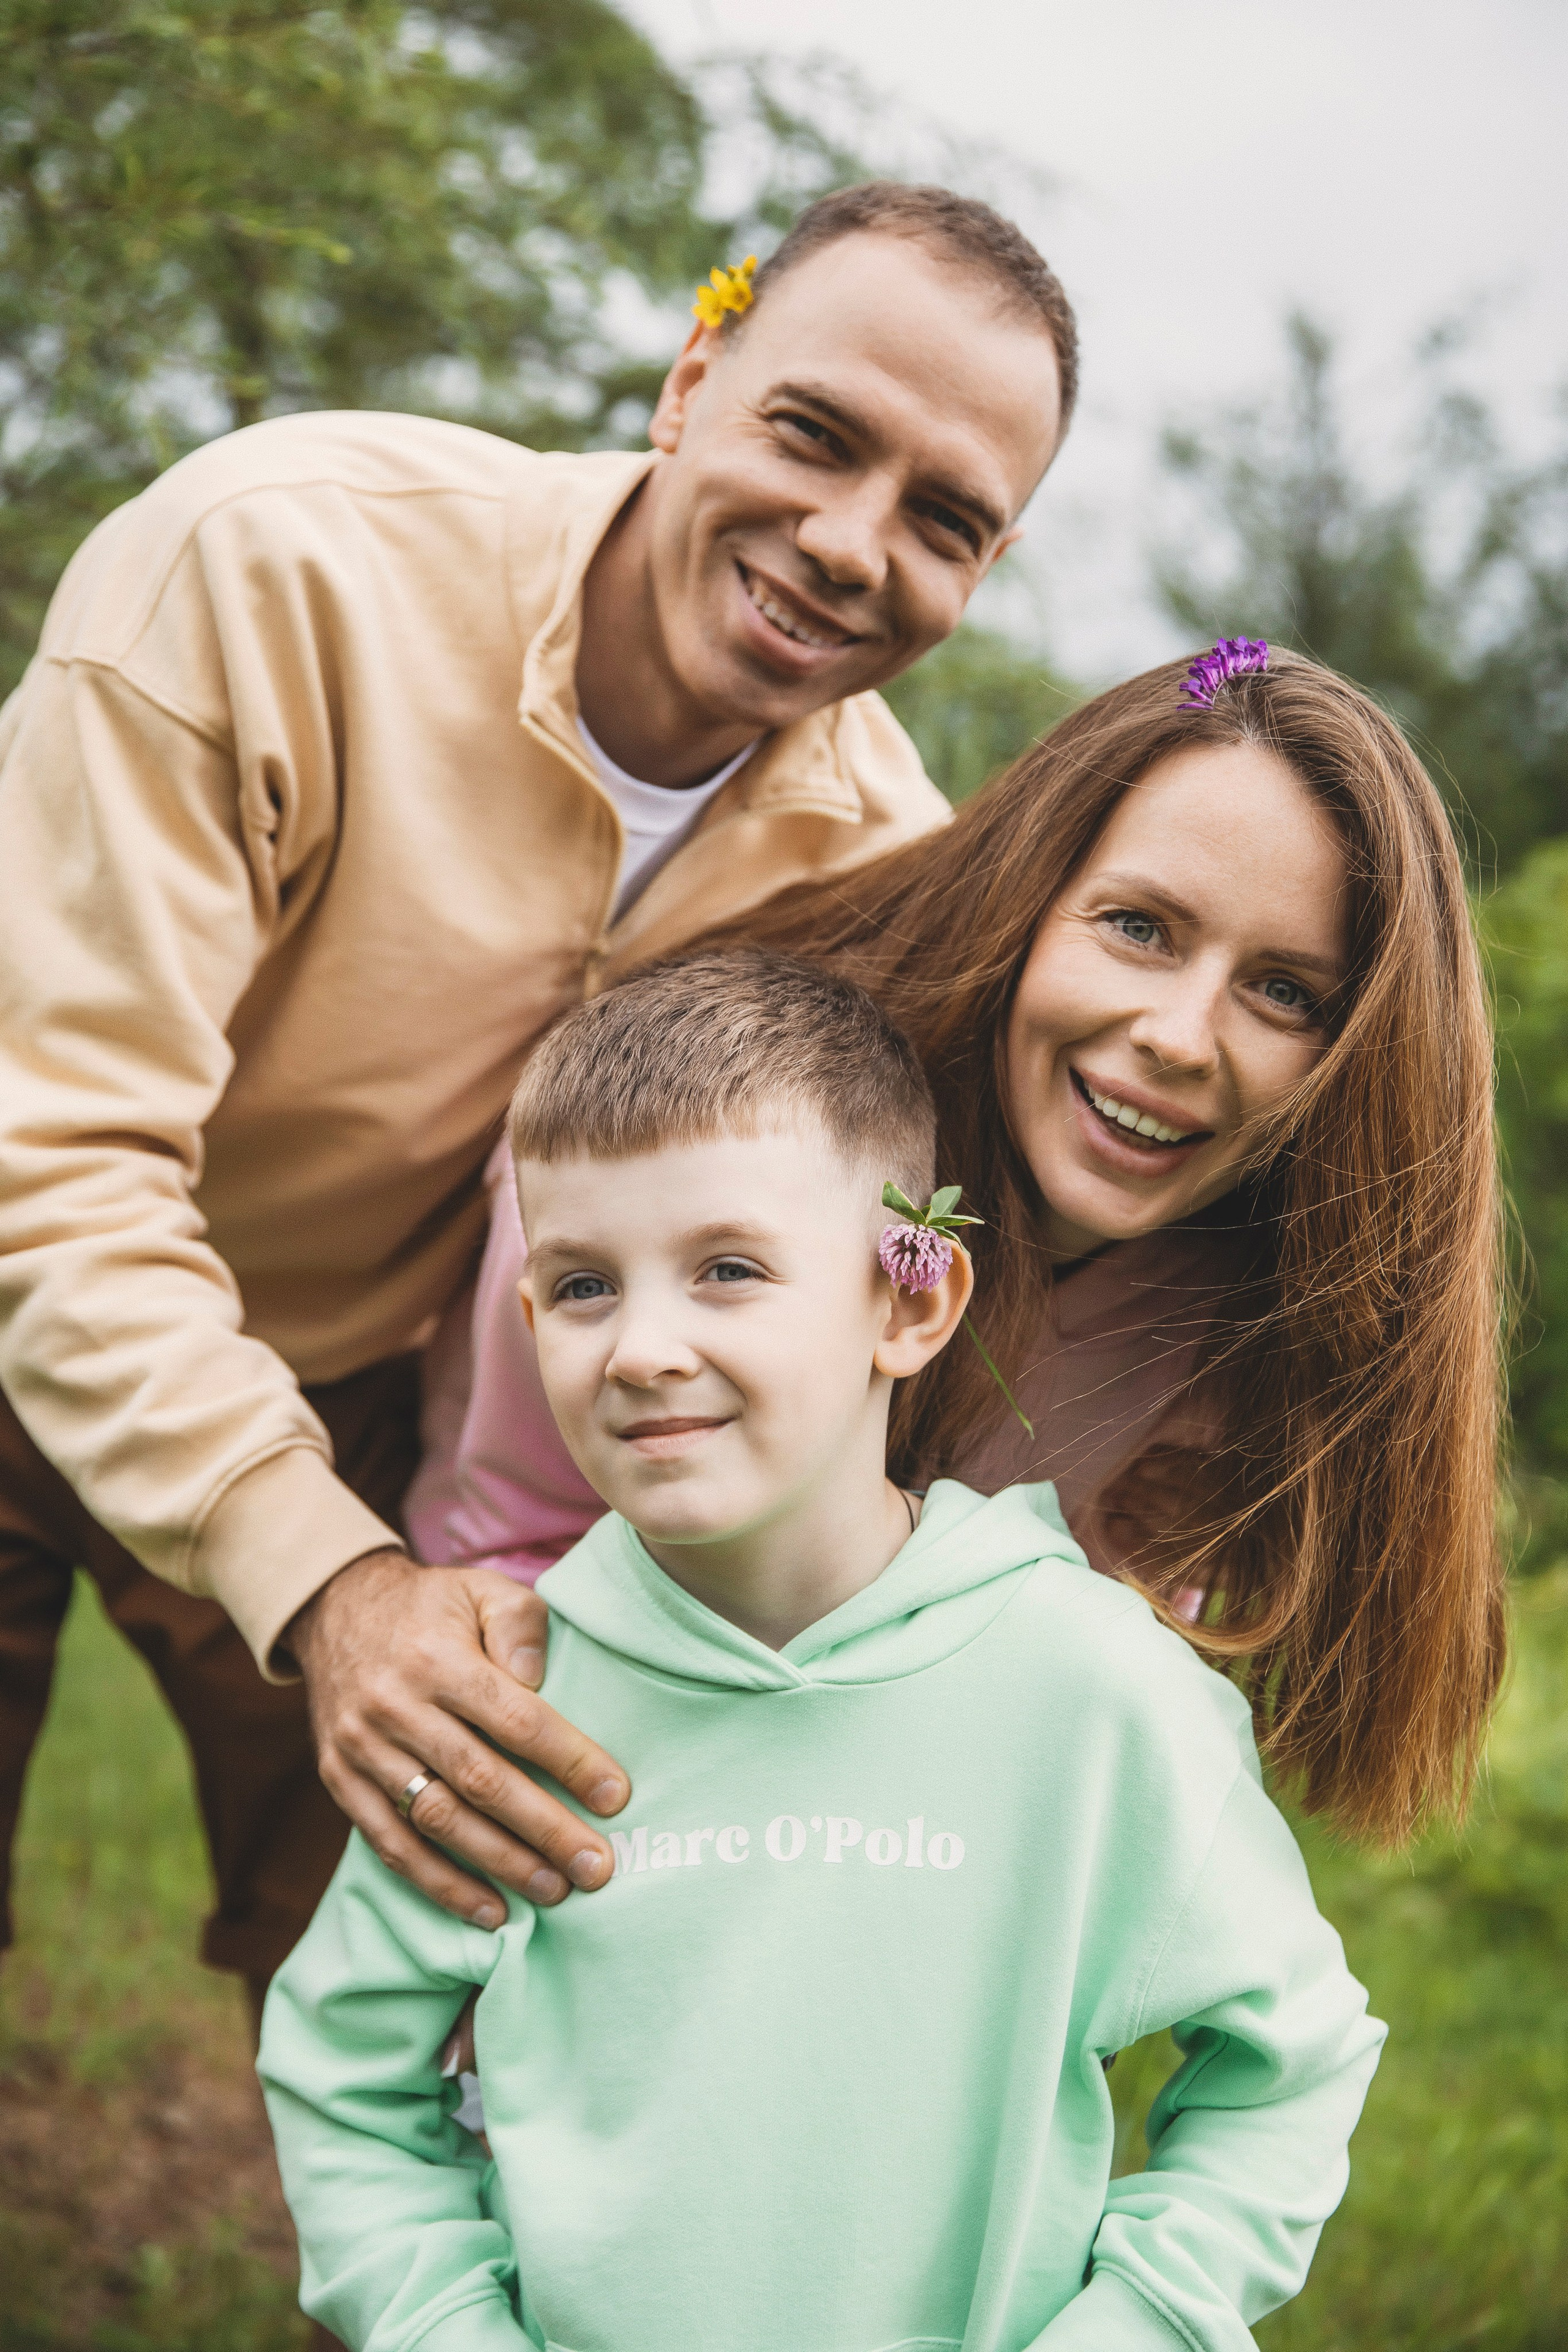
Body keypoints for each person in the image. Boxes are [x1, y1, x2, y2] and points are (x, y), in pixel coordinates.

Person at [0, 182, 1076, 2001]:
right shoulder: (271, 566)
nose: (847, 543)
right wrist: (329, 1583)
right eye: (814, 435)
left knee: (413, 1975)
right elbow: (49, 1158)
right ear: (689, 381)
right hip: (46, 1276)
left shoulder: (883, 866)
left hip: (351, 1396)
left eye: (947, 522)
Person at [258, 950, 1385, 2352]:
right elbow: (341, 2071)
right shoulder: (513, 1697)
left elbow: (1290, 2063)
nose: (643, 1349)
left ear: (908, 1302)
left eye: (726, 1270)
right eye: (586, 1286)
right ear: (532, 1318)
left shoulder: (1094, 1694)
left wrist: (1143, 2321)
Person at [411, 640, 1507, 1853]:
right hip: (573, 1762)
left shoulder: (1256, 1296)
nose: (1178, 1037)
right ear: (1028, 896)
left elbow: (1072, 1679)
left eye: (1286, 993)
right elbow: (513, 1541)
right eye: (1137, 926)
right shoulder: (709, 1140)